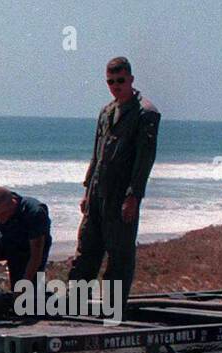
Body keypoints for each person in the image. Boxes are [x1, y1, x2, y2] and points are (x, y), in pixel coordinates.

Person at [68, 56, 160, 300]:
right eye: (111, 81)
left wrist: (134, 197)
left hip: (121, 196)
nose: (116, 85)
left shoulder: (145, 113)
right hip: (98, 193)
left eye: (120, 80)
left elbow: (144, 160)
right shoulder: (106, 112)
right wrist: (87, 191)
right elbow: (96, 155)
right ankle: (76, 303)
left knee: (119, 254)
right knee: (86, 249)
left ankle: (113, 306)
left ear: (130, 79)